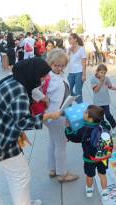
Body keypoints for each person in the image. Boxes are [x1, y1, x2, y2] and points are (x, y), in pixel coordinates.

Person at [0, 58, 63, 205]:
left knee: (16, 174)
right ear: (33, 74)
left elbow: (13, 115)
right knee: (20, 175)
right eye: (42, 77)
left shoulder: (14, 80)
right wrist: (49, 116)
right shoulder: (20, 91)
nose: (43, 81)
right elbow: (22, 121)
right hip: (1, 137)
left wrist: (20, 132)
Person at [43, 49, 79, 183]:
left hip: (54, 114)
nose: (59, 67)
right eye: (56, 65)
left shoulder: (55, 75)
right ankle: (62, 173)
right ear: (50, 63)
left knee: (53, 141)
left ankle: (53, 169)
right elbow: (39, 91)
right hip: (55, 115)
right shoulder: (48, 77)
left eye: (62, 65)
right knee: (61, 144)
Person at [65, 105, 112, 199]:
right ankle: (105, 192)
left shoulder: (84, 129)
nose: (83, 113)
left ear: (90, 119)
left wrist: (68, 129)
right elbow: (108, 127)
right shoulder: (103, 125)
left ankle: (89, 189)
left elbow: (74, 137)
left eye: (86, 112)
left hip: (89, 158)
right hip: (103, 156)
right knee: (102, 174)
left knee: (90, 175)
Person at [91, 64, 116, 134]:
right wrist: (101, 82)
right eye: (101, 72)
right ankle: (105, 130)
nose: (103, 75)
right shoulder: (93, 79)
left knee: (108, 115)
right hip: (97, 102)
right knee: (101, 118)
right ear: (97, 71)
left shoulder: (106, 78)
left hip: (105, 101)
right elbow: (96, 90)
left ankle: (114, 125)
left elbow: (110, 87)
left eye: (104, 73)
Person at [67, 33, 87, 103]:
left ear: (75, 39)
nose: (68, 40)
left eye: (70, 38)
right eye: (68, 39)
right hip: (71, 73)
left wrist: (84, 75)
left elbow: (84, 63)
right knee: (68, 91)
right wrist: (69, 53)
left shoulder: (81, 49)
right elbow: (67, 61)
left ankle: (80, 107)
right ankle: (76, 99)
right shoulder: (68, 49)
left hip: (79, 72)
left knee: (78, 92)